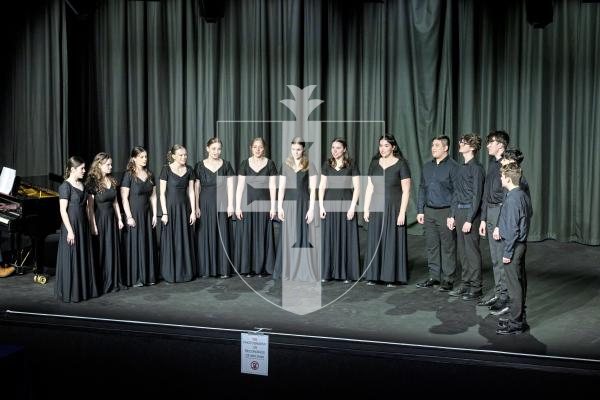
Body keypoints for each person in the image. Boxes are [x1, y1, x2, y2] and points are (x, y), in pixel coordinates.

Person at [363, 135, 411, 287]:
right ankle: (373, 275)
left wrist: (402, 212)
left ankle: (391, 277)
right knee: (375, 240)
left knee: (391, 240)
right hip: (376, 207)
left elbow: (406, 191)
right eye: (380, 146)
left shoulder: (401, 164)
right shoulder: (374, 164)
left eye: (386, 145)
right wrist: (365, 208)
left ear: (393, 147)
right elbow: (370, 187)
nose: (382, 149)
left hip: (393, 208)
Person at [493, 163, 532, 334]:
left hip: (514, 247)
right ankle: (517, 318)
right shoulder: (521, 194)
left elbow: (513, 229)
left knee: (514, 287)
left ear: (508, 178)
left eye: (502, 176)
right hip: (519, 245)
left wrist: (507, 253)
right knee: (518, 283)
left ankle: (516, 324)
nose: (500, 178)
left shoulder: (513, 198)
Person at [416, 135, 458, 292]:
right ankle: (434, 276)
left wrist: (452, 215)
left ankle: (448, 279)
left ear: (445, 148)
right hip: (429, 211)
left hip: (446, 211)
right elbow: (422, 188)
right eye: (432, 145)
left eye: (437, 145)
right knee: (432, 245)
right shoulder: (427, 167)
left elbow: (456, 193)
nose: (433, 148)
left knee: (448, 246)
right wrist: (420, 210)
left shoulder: (454, 167)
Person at [273, 137, 319, 281]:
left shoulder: (309, 165)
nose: (296, 152)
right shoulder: (285, 165)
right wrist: (279, 207)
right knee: (288, 236)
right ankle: (287, 271)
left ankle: (302, 271)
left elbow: (313, 190)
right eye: (293, 149)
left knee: (302, 235)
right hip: (288, 205)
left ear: (303, 149)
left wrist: (311, 209)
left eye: (298, 149)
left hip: (304, 204)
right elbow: (281, 189)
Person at [447, 134, 485, 300]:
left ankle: (476, 287)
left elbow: (477, 196)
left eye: (464, 143)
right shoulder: (461, 167)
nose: (460, 144)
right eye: (461, 142)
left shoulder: (476, 168)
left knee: (471, 251)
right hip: (460, 212)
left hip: (471, 213)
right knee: (462, 251)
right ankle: (466, 284)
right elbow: (456, 192)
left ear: (472, 147)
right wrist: (452, 215)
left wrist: (470, 219)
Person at [55, 156, 98, 302]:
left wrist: (91, 225)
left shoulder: (83, 185)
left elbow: (88, 208)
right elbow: (63, 211)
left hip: (83, 225)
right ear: (73, 170)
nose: (84, 171)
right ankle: (71, 292)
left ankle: (83, 290)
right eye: (82, 169)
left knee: (83, 256)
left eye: (84, 168)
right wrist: (70, 231)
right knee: (72, 257)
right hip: (71, 226)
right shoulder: (65, 186)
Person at [319, 138, 360, 284]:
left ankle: (346, 273)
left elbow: (357, 187)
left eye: (338, 148)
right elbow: (322, 186)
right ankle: (327, 272)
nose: (334, 150)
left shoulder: (351, 164)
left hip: (346, 204)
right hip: (329, 205)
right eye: (333, 148)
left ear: (344, 149)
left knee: (345, 238)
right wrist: (321, 206)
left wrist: (352, 206)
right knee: (329, 238)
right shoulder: (327, 164)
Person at [478, 130, 511, 313]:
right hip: (490, 211)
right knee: (494, 257)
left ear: (500, 144)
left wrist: (499, 223)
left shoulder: (506, 165)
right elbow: (485, 193)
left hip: (500, 211)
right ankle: (499, 293)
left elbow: (508, 195)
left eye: (491, 142)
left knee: (501, 256)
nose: (488, 145)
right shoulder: (492, 164)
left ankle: (505, 297)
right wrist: (483, 219)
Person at [235, 137, 277, 278]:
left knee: (263, 234)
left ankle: (263, 268)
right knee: (249, 234)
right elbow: (240, 186)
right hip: (247, 204)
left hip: (264, 204)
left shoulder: (270, 164)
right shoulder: (244, 164)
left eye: (260, 147)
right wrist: (237, 206)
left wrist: (273, 207)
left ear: (264, 148)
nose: (258, 149)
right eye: (255, 147)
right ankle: (249, 268)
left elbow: (272, 187)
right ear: (251, 148)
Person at [195, 137, 235, 278]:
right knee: (205, 234)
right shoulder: (199, 166)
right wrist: (196, 206)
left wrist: (231, 204)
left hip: (223, 202)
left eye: (219, 149)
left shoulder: (226, 165)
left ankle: (223, 269)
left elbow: (231, 186)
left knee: (222, 233)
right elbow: (196, 187)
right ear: (207, 149)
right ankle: (206, 269)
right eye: (213, 149)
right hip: (205, 203)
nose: (216, 152)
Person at [85, 152, 124, 294]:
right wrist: (93, 225)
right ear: (99, 165)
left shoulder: (112, 181)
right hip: (100, 220)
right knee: (102, 250)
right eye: (108, 164)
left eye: (111, 164)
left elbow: (115, 202)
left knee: (112, 249)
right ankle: (102, 281)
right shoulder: (92, 182)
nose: (111, 167)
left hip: (111, 219)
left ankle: (113, 280)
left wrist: (119, 218)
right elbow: (89, 208)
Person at [121, 146, 159, 287]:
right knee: (136, 244)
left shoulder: (149, 174)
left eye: (146, 157)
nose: (145, 159)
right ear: (134, 158)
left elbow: (153, 196)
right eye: (142, 157)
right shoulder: (128, 175)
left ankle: (148, 276)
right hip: (134, 214)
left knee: (147, 243)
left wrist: (155, 214)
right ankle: (137, 277)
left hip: (147, 214)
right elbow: (124, 198)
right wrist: (129, 217)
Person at [159, 144, 196, 283]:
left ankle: (185, 273)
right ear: (173, 156)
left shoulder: (190, 170)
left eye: (185, 154)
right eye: (181, 155)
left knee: (184, 239)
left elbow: (191, 192)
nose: (184, 157)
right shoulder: (166, 170)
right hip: (171, 209)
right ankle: (170, 273)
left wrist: (193, 211)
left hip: (184, 209)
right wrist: (164, 213)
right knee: (172, 239)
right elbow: (162, 193)